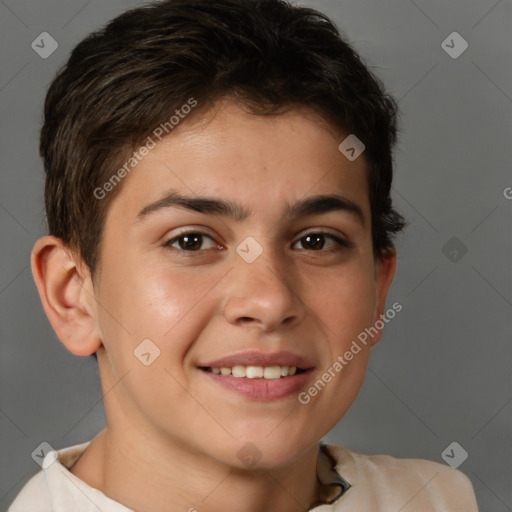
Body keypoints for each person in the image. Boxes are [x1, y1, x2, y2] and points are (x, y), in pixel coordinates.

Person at [9, 0, 478, 510]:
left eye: (316, 240)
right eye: (191, 240)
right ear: (73, 296)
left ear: (377, 288)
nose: (269, 300)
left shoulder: (438, 499)